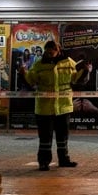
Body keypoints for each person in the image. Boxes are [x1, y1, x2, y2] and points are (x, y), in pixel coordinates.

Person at [20, 40, 80, 171]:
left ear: (58, 50)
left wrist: (85, 71)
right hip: (44, 108)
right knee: (45, 138)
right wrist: (24, 73)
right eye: (47, 52)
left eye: (52, 52)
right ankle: (43, 162)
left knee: (62, 136)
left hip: (63, 106)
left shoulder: (69, 62)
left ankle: (64, 160)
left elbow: (76, 78)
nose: (50, 54)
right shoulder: (38, 64)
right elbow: (31, 80)